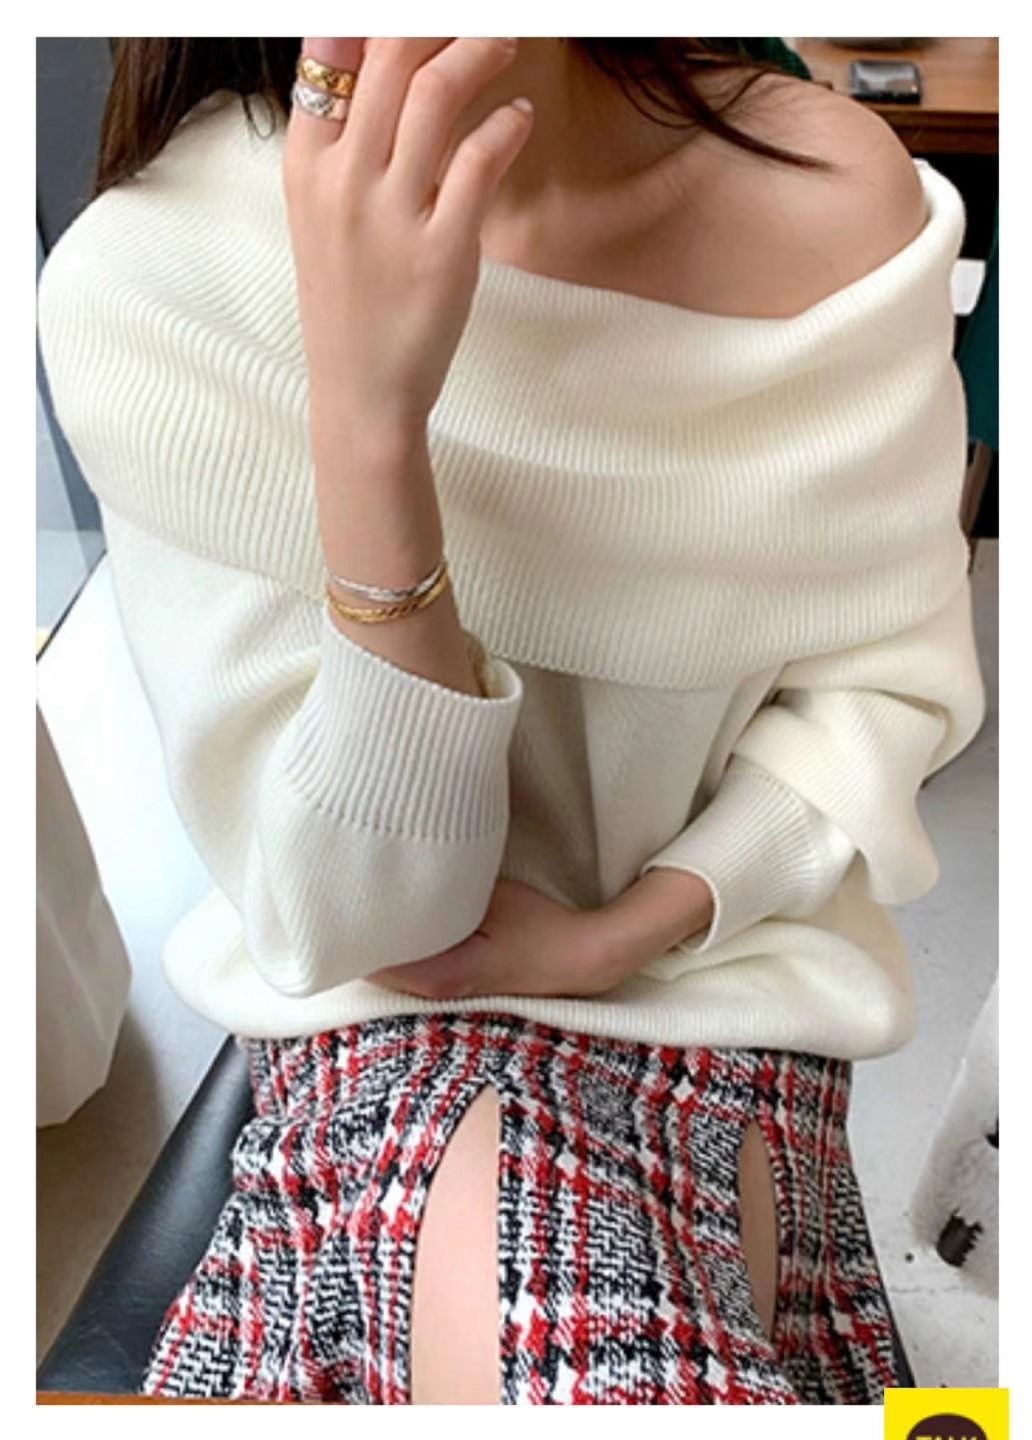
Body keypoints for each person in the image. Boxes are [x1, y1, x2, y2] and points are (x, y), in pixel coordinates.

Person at [36, 36, 986, 1405]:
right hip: (380, 1022)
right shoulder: (157, 273)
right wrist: (371, 424)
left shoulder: (838, 199)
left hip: (724, 987)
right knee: (501, 1211)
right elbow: (367, 918)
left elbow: (883, 693)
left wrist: (624, 933)